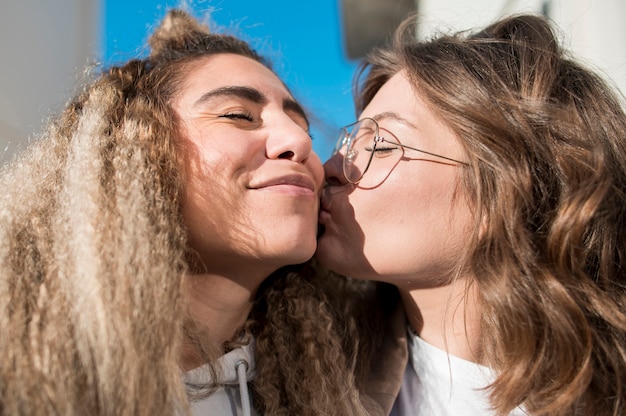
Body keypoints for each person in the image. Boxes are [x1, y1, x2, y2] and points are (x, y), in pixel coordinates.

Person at [0, 8, 366, 416]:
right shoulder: (18, 371)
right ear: (138, 148)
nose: (299, 142)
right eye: (238, 116)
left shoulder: (345, 383)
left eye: (306, 130)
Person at [317, 13, 626, 416]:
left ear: (506, 191)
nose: (330, 168)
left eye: (381, 147)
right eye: (349, 143)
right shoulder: (306, 383)